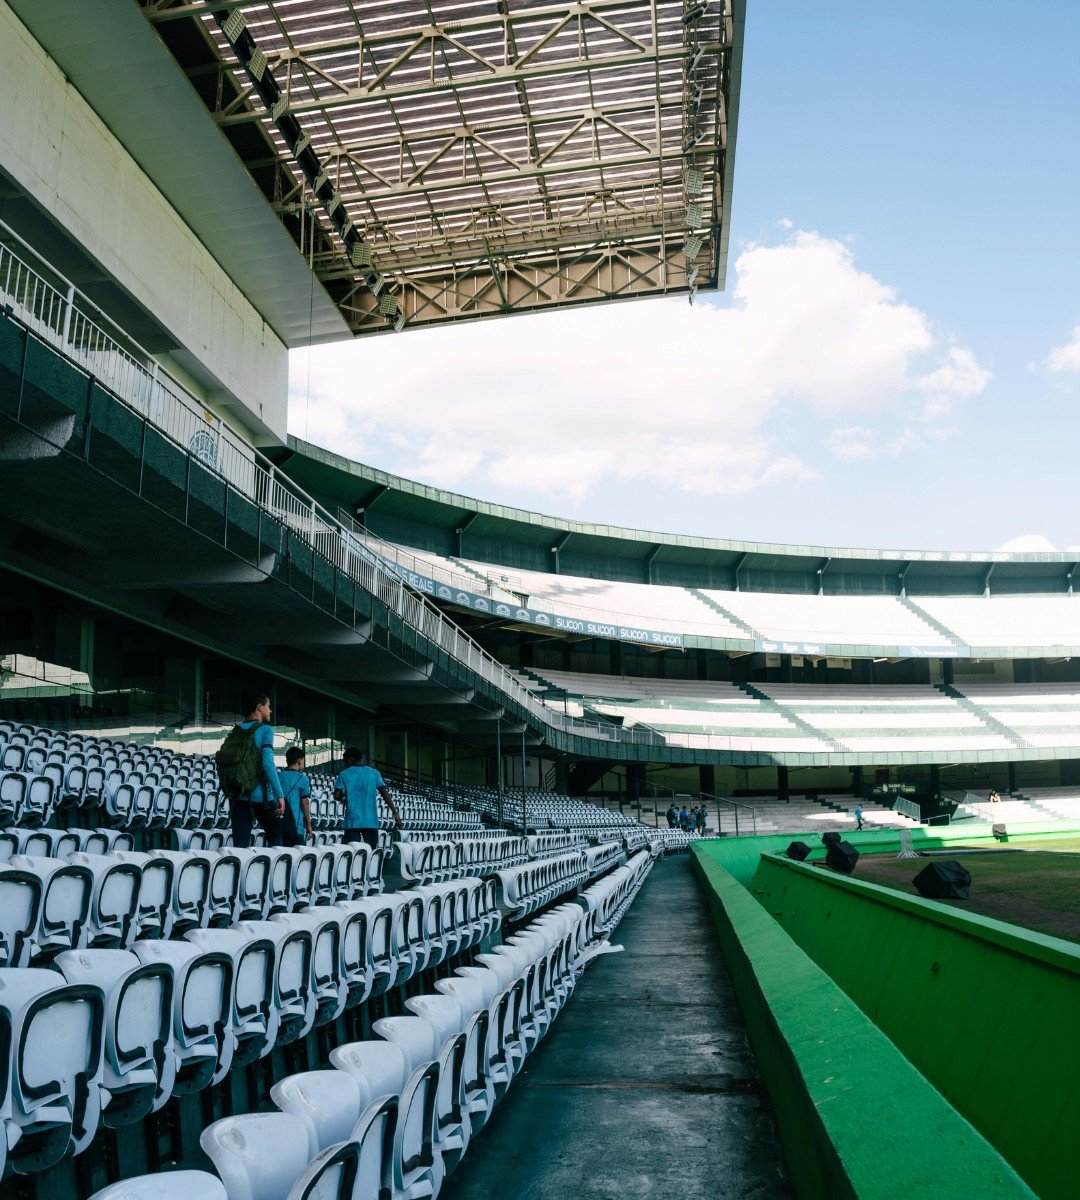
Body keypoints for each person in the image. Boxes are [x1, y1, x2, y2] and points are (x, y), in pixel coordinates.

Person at [226, 689, 285, 849]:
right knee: (276, 839)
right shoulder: (265, 729)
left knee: (240, 847)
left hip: (238, 795)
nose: (270, 710)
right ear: (259, 707)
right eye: (268, 706)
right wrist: (279, 795)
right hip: (261, 797)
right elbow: (267, 764)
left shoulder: (236, 730)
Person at [334, 746, 403, 846]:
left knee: (352, 851)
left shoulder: (344, 774)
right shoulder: (374, 773)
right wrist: (395, 812)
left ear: (351, 759)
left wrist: (345, 798)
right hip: (370, 820)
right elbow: (385, 793)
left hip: (352, 820)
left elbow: (336, 795)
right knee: (371, 852)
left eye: (345, 761)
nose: (344, 764)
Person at [280, 745, 313, 845]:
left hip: (278, 824)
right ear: (299, 761)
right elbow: (304, 803)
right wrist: (308, 825)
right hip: (295, 826)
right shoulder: (302, 779)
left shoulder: (277, 776)